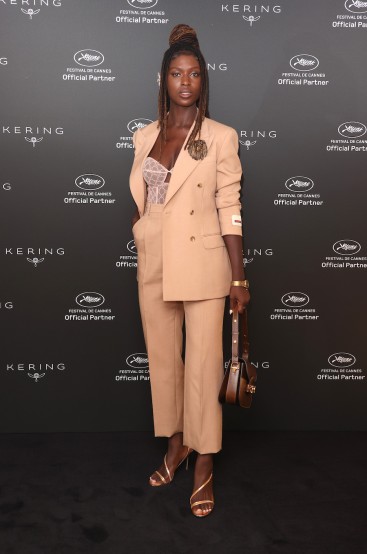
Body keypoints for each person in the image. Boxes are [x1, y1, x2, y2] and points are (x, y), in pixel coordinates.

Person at [129, 24, 250, 518]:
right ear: (163, 79)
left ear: (203, 81)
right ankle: (176, 442)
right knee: (163, 360)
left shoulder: (221, 137)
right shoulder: (144, 135)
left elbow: (229, 204)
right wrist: (144, 231)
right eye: (176, 73)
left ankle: (204, 461)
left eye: (194, 74)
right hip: (155, 258)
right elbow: (145, 197)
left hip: (202, 261)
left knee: (202, 364)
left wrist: (238, 277)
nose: (185, 82)